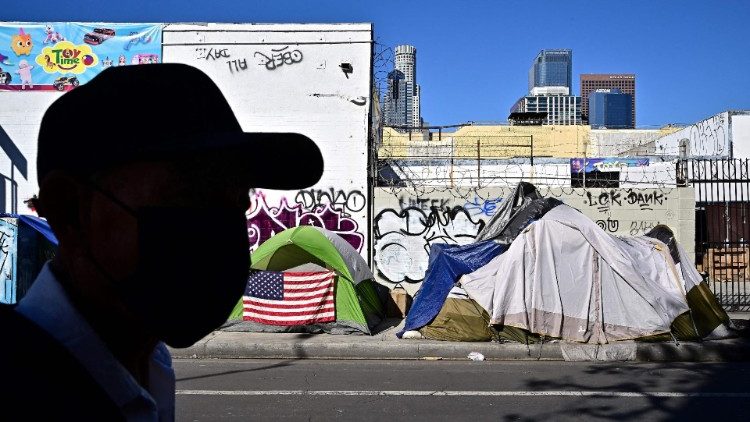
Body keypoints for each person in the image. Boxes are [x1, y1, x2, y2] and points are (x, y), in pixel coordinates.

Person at [0, 63, 323, 420]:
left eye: (236, 202)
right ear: (71, 210)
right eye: (192, 195)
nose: (219, 230)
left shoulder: (151, 361)